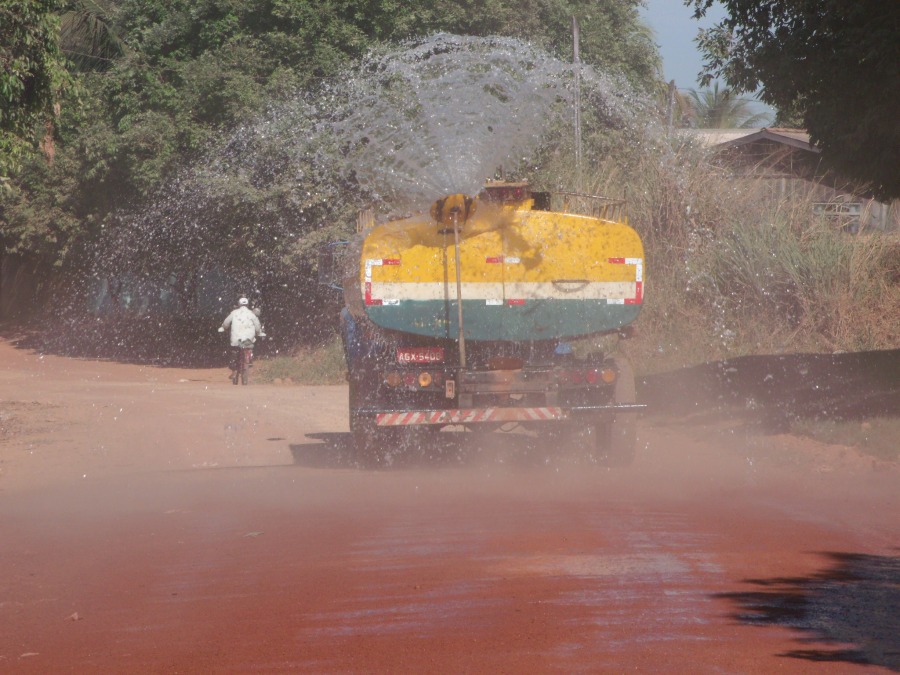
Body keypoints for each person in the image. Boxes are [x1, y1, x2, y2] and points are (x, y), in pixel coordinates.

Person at [218, 297, 264, 373]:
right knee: (249, 348)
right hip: (248, 340)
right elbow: (257, 326)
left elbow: (226, 323)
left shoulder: (234, 313)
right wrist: (259, 332)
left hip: (236, 340)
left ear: (238, 304)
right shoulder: (251, 314)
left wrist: (223, 328)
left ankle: (233, 364)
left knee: (234, 350)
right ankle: (250, 359)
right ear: (247, 304)